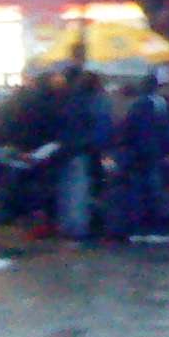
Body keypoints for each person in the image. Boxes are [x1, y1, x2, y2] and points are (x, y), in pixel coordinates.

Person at [116, 71, 169, 240]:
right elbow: (166, 131)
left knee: (139, 192)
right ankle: (152, 229)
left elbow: (128, 130)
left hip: (140, 154)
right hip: (152, 154)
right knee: (153, 192)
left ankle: (139, 229)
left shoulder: (138, 105)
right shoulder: (159, 104)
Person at [52, 65, 113, 240]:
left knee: (70, 189)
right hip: (84, 149)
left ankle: (70, 228)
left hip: (72, 149)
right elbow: (101, 128)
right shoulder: (96, 101)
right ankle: (77, 228)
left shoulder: (71, 99)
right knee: (77, 189)